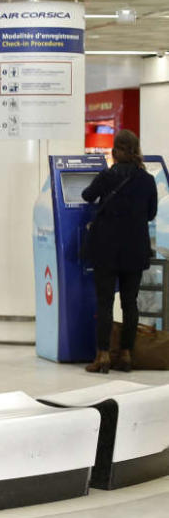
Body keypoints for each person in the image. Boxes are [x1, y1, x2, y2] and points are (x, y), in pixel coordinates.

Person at [82, 130, 158, 374]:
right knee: (130, 303)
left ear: (115, 152)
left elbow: (86, 195)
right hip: (135, 250)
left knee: (104, 303)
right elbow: (151, 213)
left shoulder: (107, 176)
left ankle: (103, 355)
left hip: (106, 250)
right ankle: (126, 355)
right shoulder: (147, 180)